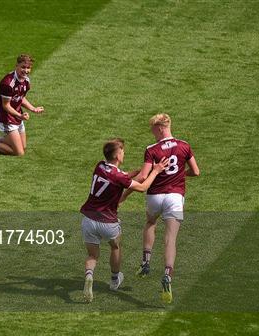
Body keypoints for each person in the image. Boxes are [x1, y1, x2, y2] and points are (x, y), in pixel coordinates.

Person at [123, 113, 200, 304]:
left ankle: (146, 262)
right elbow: (196, 172)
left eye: (153, 130)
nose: (153, 134)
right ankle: (167, 275)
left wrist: (124, 193)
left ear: (160, 128)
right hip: (175, 197)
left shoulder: (152, 149)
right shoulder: (184, 146)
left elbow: (142, 176)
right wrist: (181, 174)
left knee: (150, 222)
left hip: (155, 196)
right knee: (170, 239)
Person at [80, 138, 168, 302]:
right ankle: (114, 280)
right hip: (108, 221)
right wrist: (155, 171)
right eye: (122, 151)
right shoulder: (119, 176)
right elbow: (142, 188)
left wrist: (130, 175)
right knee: (115, 246)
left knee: (92, 255)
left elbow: (113, 178)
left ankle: (89, 275)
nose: (124, 153)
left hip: (88, 219)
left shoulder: (100, 166)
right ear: (118, 155)